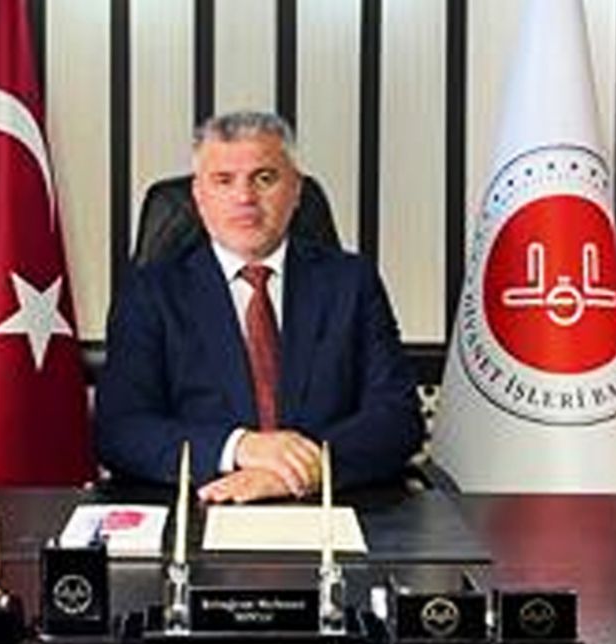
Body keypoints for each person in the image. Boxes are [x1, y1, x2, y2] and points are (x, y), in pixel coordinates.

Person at [95, 111, 422, 503]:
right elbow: (121, 430)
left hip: (328, 507)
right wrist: (240, 447)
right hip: (201, 505)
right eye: (224, 180)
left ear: (296, 190)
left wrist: (301, 471)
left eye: (264, 178)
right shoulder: (151, 292)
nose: (245, 198)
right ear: (198, 196)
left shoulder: (350, 283)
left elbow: (398, 417)